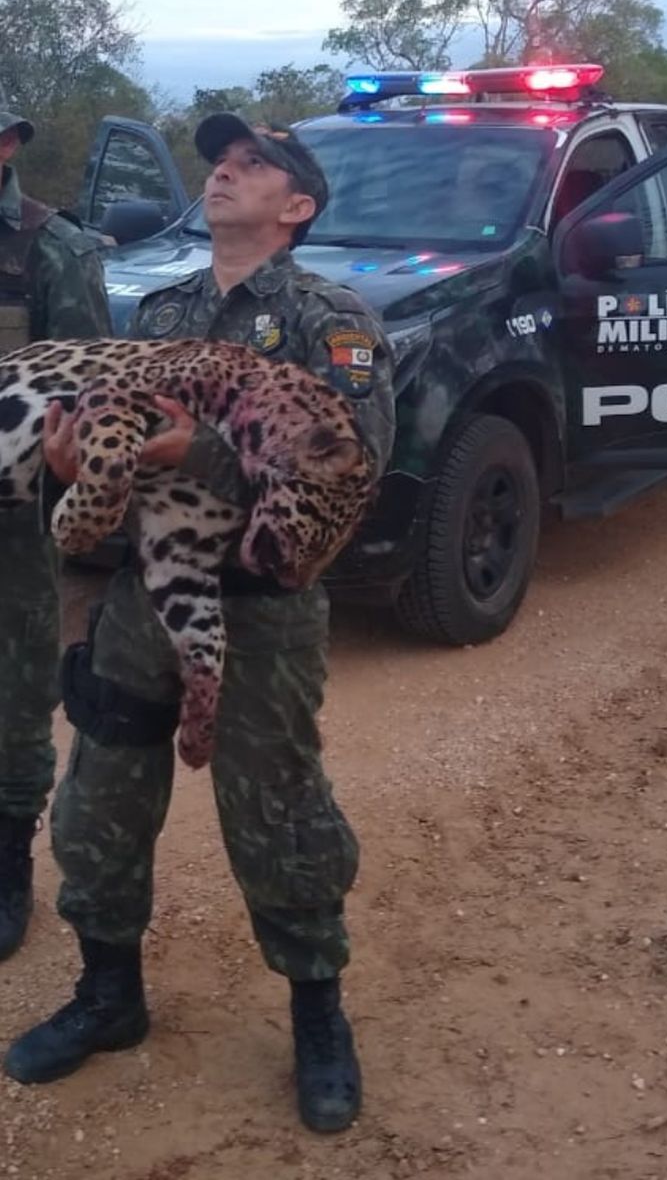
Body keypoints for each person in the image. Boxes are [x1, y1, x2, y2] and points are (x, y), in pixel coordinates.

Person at [4, 114, 396, 1134]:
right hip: (145, 595)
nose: (223, 168)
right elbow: (110, 455)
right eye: (220, 158)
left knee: (279, 816)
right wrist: (74, 496)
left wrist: (195, 459)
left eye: (254, 164)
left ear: (296, 207)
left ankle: (317, 1012)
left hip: (262, 614)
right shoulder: (161, 306)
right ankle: (108, 996)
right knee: (101, 804)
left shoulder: (332, 320)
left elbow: (343, 478)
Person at [0, 109, 112, 962]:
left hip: (10, 519)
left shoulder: (52, 250)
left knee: (12, 696)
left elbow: (90, 391)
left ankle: (7, 867)